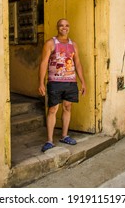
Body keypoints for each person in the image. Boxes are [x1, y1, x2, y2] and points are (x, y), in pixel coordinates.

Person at [38, 18, 86, 152]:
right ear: (57, 27)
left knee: (67, 107)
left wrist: (82, 81)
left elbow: (77, 63)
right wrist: (41, 82)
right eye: (61, 25)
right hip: (55, 81)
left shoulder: (73, 44)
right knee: (53, 109)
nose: (64, 28)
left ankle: (64, 136)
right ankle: (49, 141)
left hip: (70, 81)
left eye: (66, 25)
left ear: (69, 27)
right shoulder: (50, 43)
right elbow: (43, 63)